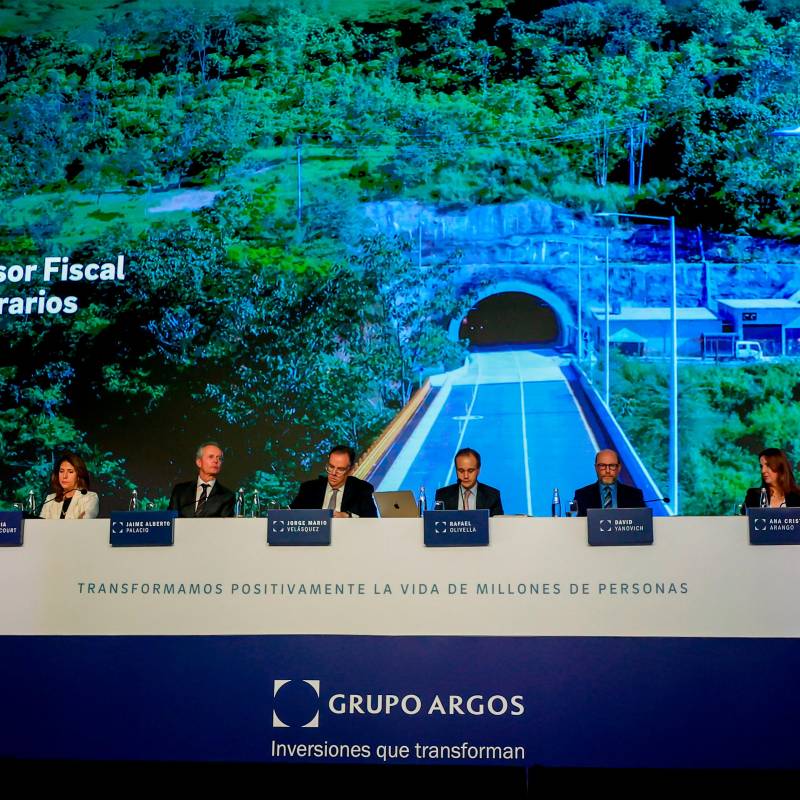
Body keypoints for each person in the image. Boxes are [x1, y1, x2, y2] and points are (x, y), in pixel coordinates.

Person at [290, 445, 377, 518]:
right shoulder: (309, 488)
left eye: (340, 469)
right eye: (331, 467)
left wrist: (348, 516)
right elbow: (290, 516)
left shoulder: (362, 489)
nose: (333, 473)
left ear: (350, 470)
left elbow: (371, 520)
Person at [168, 442, 235, 518]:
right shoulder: (180, 491)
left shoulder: (227, 496)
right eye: (211, 457)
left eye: (219, 458)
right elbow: (170, 520)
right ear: (199, 462)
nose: (216, 461)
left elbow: (225, 524)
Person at [573, 448, 645, 516]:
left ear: (619, 468)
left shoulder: (635, 495)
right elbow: (576, 522)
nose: (607, 471)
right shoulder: (582, 495)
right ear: (596, 468)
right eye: (602, 465)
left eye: (612, 466)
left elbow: (643, 521)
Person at [434, 447, 504, 516]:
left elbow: (498, 523)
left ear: (478, 470)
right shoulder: (442, 495)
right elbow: (436, 521)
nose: (466, 476)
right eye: (461, 471)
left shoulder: (492, 496)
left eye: (470, 471)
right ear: (456, 470)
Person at [39, 453, 100, 519]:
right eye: (61, 471)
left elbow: (83, 523)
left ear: (79, 475)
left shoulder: (90, 498)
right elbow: (41, 524)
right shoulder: (50, 499)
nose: (64, 476)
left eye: (70, 472)